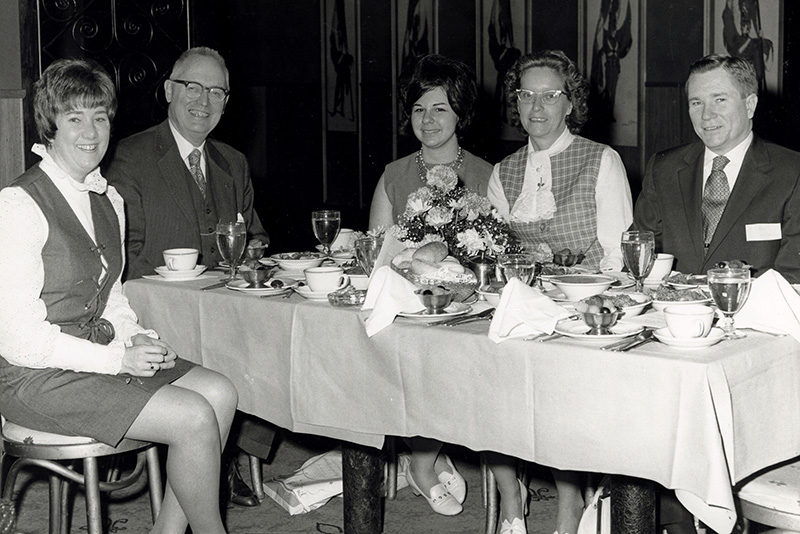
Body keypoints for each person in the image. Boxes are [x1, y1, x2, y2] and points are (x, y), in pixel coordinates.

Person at [0, 58, 238, 534]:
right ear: (50, 125)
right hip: (35, 377)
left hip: (98, 356)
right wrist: (118, 362)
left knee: (220, 391)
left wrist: (140, 339)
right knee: (192, 416)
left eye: (100, 117)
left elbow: (112, 300)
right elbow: (19, 341)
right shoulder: (18, 205)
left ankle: (166, 532)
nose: (90, 132)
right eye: (75, 118)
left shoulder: (108, 199)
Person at [105, 46, 273, 507]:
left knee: (276, 343)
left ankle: (231, 454)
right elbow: (121, 256)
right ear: (168, 91)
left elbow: (255, 237)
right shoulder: (130, 156)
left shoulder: (232, 162)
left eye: (216, 91)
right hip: (158, 313)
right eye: (192, 87)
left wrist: (252, 254)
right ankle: (207, 465)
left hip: (225, 308)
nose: (204, 100)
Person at [486, 49, 633, 534]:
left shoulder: (600, 160)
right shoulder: (504, 171)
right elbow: (491, 252)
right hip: (519, 305)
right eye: (526, 94)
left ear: (570, 104)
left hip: (581, 310)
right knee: (480, 365)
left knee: (554, 384)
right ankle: (511, 493)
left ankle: (570, 500)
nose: (536, 106)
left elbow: (619, 256)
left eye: (550, 95)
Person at [369, 54, 493, 516]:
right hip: (405, 306)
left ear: (460, 112)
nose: (429, 120)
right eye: (419, 109)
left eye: (440, 108)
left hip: (464, 307)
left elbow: (493, 257)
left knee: (454, 354)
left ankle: (422, 458)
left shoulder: (486, 175)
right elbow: (379, 253)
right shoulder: (394, 174)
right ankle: (426, 458)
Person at [633, 54, 800, 283]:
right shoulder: (664, 169)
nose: (706, 115)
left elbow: (794, 277)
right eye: (696, 102)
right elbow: (638, 256)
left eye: (719, 99)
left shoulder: (792, 172)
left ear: (750, 105)